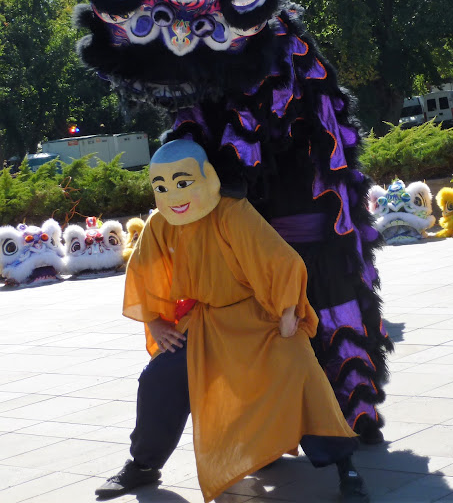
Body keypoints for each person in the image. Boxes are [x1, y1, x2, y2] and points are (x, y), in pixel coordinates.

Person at [95, 140, 369, 502]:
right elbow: (143, 271)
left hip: (258, 317)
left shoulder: (232, 212)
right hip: (204, 323)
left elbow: (281, 261)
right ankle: (143, 465)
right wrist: (156, 322)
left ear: (207, 177)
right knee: (159, 376)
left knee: (299, 369)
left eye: (182, 183)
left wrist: (288, 312)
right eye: (161, 187)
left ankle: (346, 466)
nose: (173, 195)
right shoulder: (161, 224)